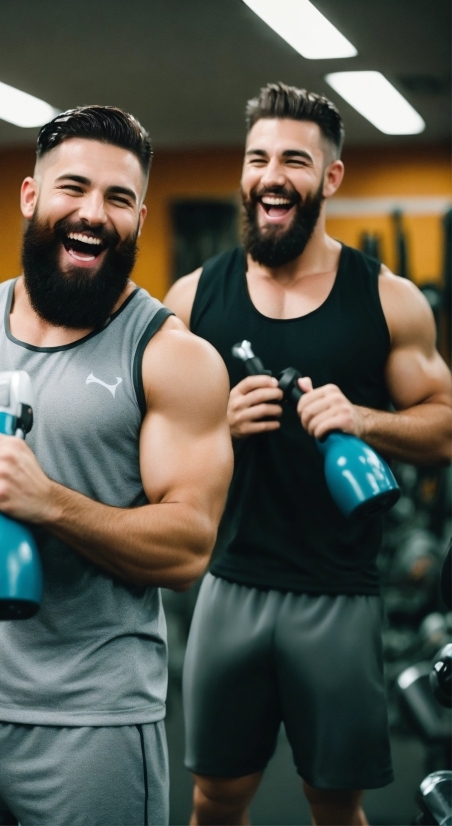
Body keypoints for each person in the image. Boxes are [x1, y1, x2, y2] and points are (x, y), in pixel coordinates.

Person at [0, 105, 233, 826]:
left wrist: (49, 502)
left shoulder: (173, 358)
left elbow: (189, 544)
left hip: (93, 728)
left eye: (118, 199)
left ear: (139, 218)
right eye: (73, 188)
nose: (93, 214)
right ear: (31, 196)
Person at [164, 82, 452, 826]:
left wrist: (366, 419)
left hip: (340, 592)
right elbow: (148, 442)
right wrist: (213, 426)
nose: (270, 175)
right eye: (257, 158)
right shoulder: (194, 299)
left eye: (294, 159)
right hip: (229, 587)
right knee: (215, 798)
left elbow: (445, 426)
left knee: (335, 803)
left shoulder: (387, 300)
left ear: (330, 178)